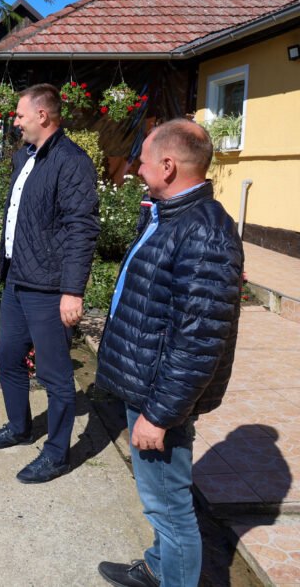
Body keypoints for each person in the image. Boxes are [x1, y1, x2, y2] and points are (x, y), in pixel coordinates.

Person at [95, 120, 243, 587]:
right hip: (148, 381)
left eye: (142, 161)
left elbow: (199, 341)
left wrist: (158, 416)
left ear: (168, 165)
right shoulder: (171, 214)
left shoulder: (205, 233)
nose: (136, 169)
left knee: (170, 508)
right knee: (160, 499)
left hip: (159, 394)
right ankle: (159, 567)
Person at [0, 83, 100, 483]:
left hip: (49, 287)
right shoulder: (24, 157)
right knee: (7, 357)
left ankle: (57, 453)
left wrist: (72, 290)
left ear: (42, 116)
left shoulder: (71, 161)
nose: (15, 121)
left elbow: (82, 228)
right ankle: (19, 427)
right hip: (16, 278)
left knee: (54, 374)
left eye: (20, 115)